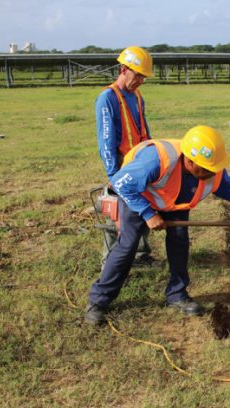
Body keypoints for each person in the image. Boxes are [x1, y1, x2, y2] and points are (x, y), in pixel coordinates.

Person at [85, 125, 230, 324]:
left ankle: (177, 295)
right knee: (128, 246)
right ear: (190, 162)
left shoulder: (212, 169)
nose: (213, 173)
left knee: (179, 241)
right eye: (207, 169)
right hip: (138, 196)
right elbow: (120, 183)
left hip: (175, 201)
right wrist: (148, 214)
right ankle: (98, 301)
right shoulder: (156, 161)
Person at [96, 46, 154, 266]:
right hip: (121, 163)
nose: (140, 80)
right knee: (118, 210)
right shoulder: (107, 98)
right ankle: (109, 260)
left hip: (140, 161)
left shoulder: (138, 97)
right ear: (123, 69)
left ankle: (140, 254)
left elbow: (144, 130)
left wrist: (151, 155)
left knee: (143, 203)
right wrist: (113, 174)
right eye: (137, 75)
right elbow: (106, 141)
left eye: (143, 77)